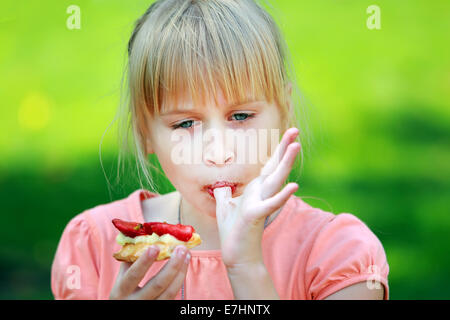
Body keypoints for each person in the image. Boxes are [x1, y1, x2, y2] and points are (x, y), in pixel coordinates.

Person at [51, 0, 389, 300]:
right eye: (185, 124)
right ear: (145, 132)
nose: (219, 152)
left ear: (283, 111)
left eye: (240, 116)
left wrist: (247, 268)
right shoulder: (95, 247)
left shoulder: (337, 255)